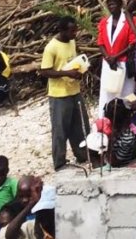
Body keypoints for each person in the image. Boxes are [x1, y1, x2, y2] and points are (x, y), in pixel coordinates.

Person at [38, 17, 88, 170]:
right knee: (60, 129)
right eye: (72, 31)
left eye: (75, 30)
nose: (75, 33)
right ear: (62, 30)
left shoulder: (72, 42)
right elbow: (44, 71)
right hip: (59, 95)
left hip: (74, 91)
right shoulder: (51, 47)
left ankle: (82, 155)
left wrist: (79, 71)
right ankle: (59, 162)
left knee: (80, 126)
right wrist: (66, 73)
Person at [97, 0, 136, 114]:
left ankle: (126, 122)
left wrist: (116, 57)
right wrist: (108, 58)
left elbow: (132, 43)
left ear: (120, 4)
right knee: (107, 93)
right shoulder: (104, 22)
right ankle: (104, 121)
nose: (111, 6)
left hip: (123, 63)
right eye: (109, 4)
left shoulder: (130, 21)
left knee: (126, 94)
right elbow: (100, 43)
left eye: (114, 3)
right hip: (108, 63)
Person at [105, 99, 136, 168]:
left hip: (121, 166)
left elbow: (116, 162)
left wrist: (107, 143)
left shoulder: (127, 136)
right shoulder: (113, 127)